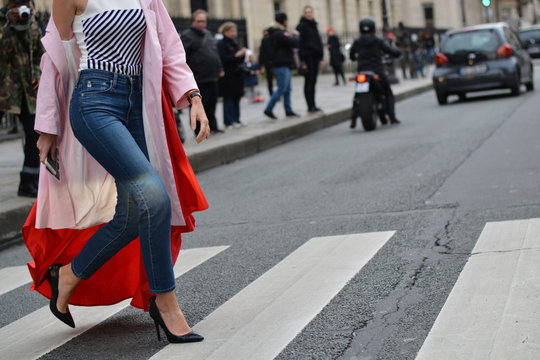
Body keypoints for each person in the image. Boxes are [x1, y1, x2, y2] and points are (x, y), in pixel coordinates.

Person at [25, 0, 210, 344]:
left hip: (139, 103)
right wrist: (48, 127)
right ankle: (165, 300)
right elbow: (55, 61)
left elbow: (169, 43)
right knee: (154, 197)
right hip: (95, 101)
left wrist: (193, 95)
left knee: (131, 217)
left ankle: (68, 275)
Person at [0, 0, 44, 197]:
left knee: (34, 135)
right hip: (4, 90)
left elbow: (38, 55)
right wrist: (11, 27)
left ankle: (28, 182)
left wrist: (39, 76)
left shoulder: (33, 24)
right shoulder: (3, 25)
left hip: (26, 92)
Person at [350, 17, 401, 125]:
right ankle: (392, 116)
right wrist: (397, 52)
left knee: (357, 94)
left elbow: (351, 55)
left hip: (362, 70)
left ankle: (353, 117)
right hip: (376, 70)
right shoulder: (378, 40)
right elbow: (391, 51)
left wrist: (356, 58)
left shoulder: (357, 41)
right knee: (388, 92)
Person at [181, 10, 224, 134]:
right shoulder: (187, 36)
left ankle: (213, 126)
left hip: (212, 76)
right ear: (193, 21)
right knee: (199, 105)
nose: (202, 24)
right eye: (199, 21)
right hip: (198, 78)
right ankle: (198, 130)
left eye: (204, 21)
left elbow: (215, 53)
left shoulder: (208, 34)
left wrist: (220, 68)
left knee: (212, 104)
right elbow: (182, 57)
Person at [263, 12, 300, 119]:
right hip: (281, 64)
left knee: (287, 89)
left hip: (283, 63)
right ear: (284, 21)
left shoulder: (276, 32)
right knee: (282, 88)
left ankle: (288, 110)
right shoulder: (279, 33)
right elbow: (292, 42)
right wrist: (296, 36)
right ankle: (268, 109)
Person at [217, 21, 246, 129]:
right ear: (225, 32)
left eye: (234, 31)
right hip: (228, 75)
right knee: (228, 98)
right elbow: (223, 58)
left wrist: (242, 55)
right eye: (231, 31)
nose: (234, 33)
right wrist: (236, 56)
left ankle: (237, 119)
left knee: (237, 97)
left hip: (237, 74)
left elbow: (239, 59)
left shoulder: (235, 42)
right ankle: (229, 121)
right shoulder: (221, 43)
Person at [296, 5, 323, 113]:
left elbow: (318, 41)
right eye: (306, 12)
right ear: (304, 14)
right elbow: (301, 44)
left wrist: (320, 57)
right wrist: (302, 60)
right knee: (309, 82)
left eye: (310, 12)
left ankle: (313, 104)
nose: (309, 14)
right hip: (307, 57)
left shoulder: (314, 25)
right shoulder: (302, 26)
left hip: (315, 57)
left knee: (313, 82)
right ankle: (310, 105)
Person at [258, 27, 274, 97]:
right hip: (270, 61)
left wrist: (261, 65)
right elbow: (262, 53)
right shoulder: (266, 39)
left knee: (270, 79)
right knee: (270, 79)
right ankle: (272, 93)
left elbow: (261, 53)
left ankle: (272, 93)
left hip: (269, 62)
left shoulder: (265, 39)